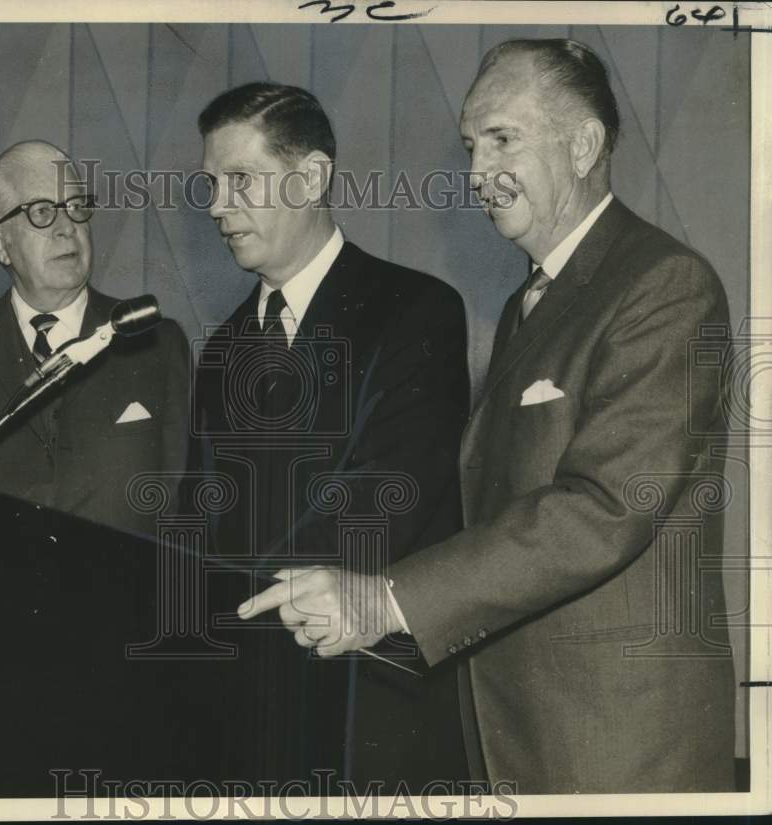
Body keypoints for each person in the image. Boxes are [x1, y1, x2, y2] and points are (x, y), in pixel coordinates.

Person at [239, 41, 736, 793]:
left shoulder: (664, 284)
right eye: (472, 146)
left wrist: (386, 597)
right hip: (519, 736)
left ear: (584, 144)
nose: (476, 173)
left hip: (617, 745)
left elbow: (602, 509)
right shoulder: (525, 306)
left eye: (502, 138)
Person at [190, 83, 471, 790]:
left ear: (312, 177)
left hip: (372, 708)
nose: (218, 207)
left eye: (240, 180)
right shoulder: (223, 348)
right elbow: (203, 521)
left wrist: (240, 608)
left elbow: (386, 494)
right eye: (211, 185)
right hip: (249, 709)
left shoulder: (417, 310)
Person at [0, 140, 189, 535]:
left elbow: (184, 511)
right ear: (0, 244)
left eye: (75, 207)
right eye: (41, 212)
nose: (66, 228)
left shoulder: (155, 342)